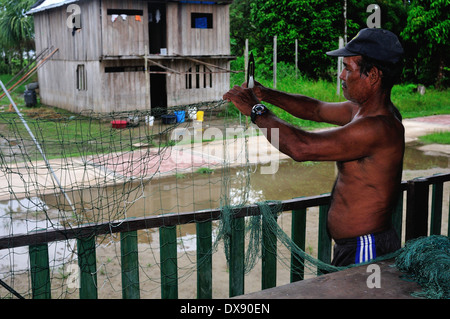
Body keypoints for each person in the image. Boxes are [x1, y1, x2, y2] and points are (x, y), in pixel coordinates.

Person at [223, 28, 405, 267]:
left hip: (365, 248)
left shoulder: (378, 128)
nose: (341, 76)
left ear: (372, 75)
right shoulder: (361, 111)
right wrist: (266, 94)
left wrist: (257, 111)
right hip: (357, 245)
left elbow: (302, 147)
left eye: (348, 68)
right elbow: (315, 109)